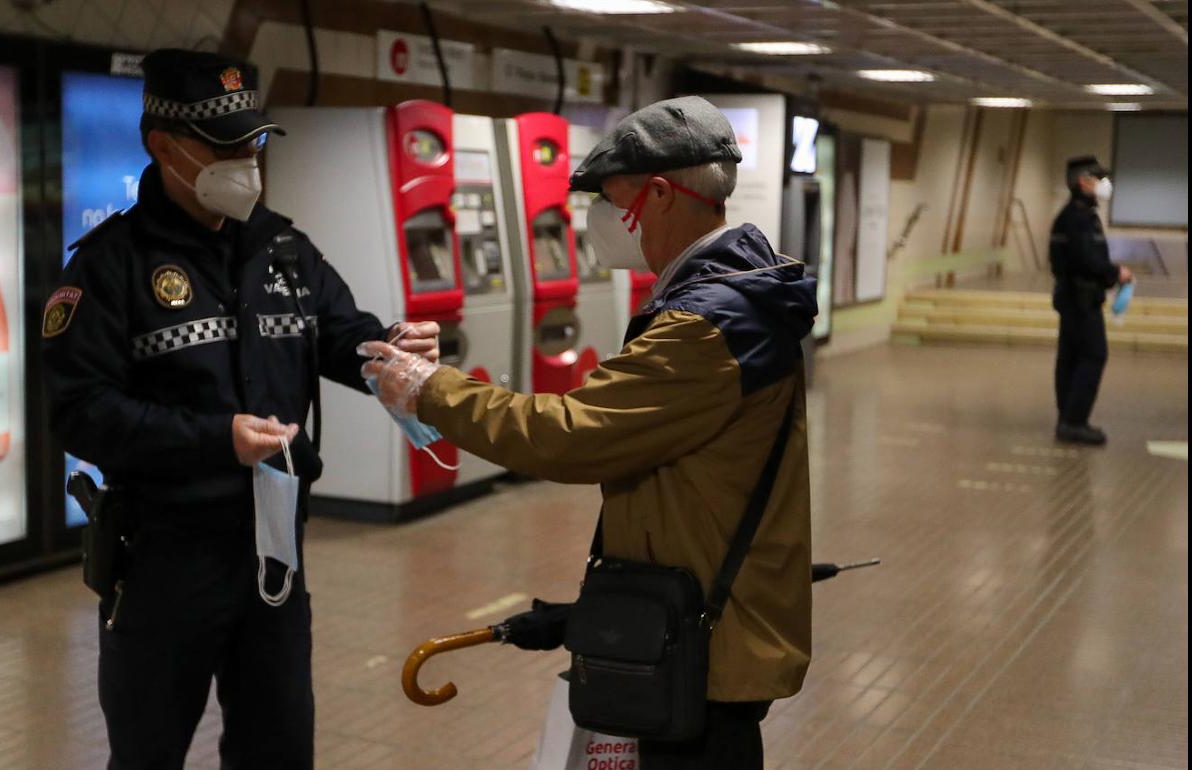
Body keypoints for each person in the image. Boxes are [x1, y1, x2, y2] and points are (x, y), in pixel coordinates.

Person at [362, 96, 817, 770]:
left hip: (703, 637)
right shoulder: (739, 290)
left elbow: (572, 435)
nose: (598, 219)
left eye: (609, 199)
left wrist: (431, 389)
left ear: (659, 194)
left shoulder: (707, 325)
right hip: (703, 610)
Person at [41, 49, 438, 769]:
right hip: (164, 557)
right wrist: (214, 439)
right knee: (148, 752)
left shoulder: (284, 250)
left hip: (274, 552)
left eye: (254, 142)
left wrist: (394, 350)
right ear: (163, 145)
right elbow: (81, 413)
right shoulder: (109, 267)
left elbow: (341, 334)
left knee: (279, 748)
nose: (247, 161)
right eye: (224, 146)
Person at [1050, 155, 1133, 445]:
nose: (1103, 184)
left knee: (1070, 358)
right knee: (1094, 355)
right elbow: (1087, 260)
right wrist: (1115, 273)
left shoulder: (1073, 215)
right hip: (1081, 299)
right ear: (1083, 181)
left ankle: (1066, 418)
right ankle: (1074, 421)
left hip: (1073, 297)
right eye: (1098, 178)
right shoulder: (1079, 218)